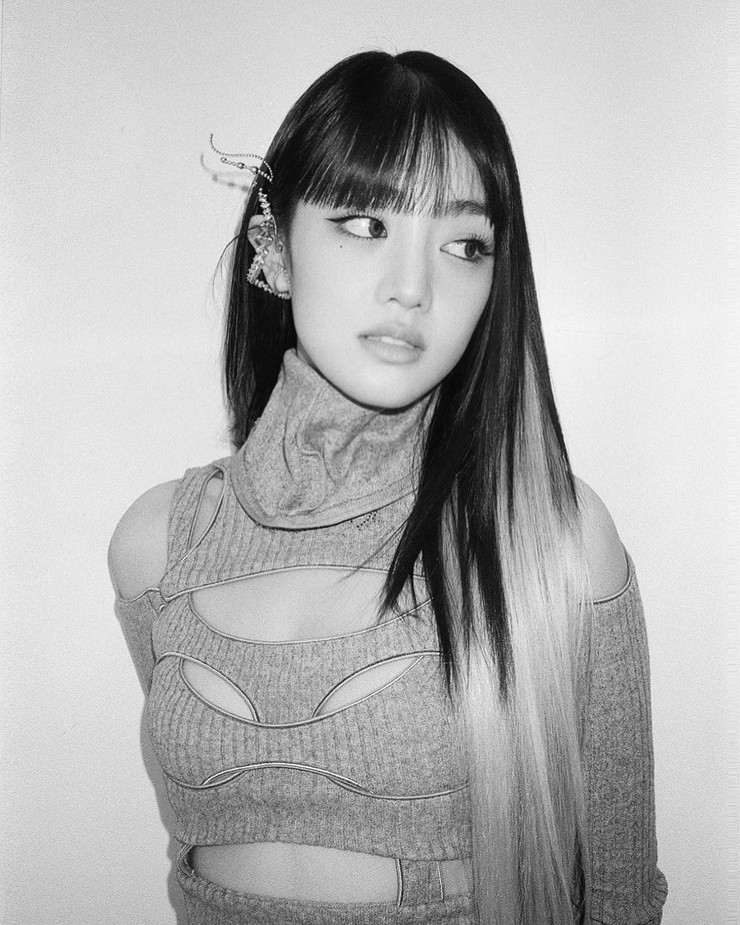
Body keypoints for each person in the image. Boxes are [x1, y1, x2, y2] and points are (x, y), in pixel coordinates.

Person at [108, 50, 667, 925]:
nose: (413, 288)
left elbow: (620, 894)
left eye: (464, 245)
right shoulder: (157, 543)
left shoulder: (552, 538)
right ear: (273, 248)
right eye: (367, 223)